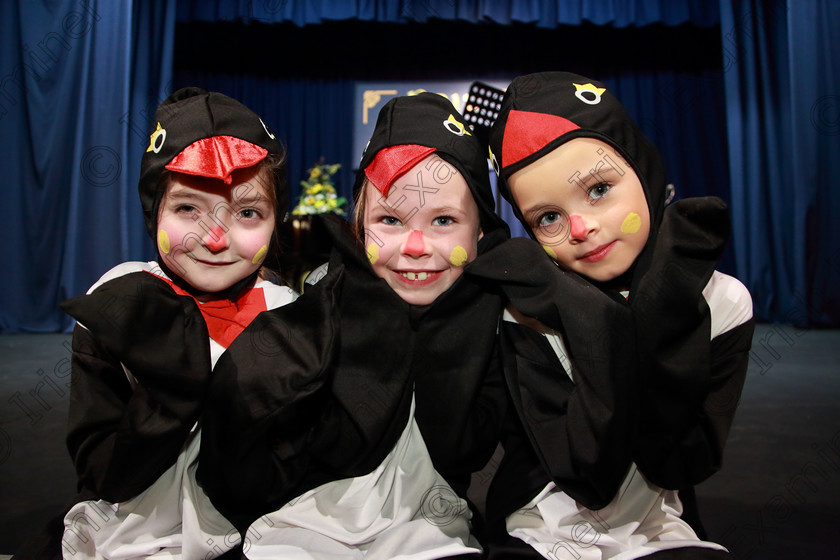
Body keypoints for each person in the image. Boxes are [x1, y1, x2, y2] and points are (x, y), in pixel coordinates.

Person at [197, 92, 510, 559]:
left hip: (434, 534)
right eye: (390, 220)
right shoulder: (321, 314)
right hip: (302, 530)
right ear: (361, 229)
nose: (417, 245)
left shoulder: (496, 322)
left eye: (443, 219)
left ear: (480, 232)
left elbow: (464, 451)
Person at [467, 71, 755, 559]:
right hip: (537, 527)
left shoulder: (722, 302)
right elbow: (588, 475)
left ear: (642, 169)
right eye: (548, 218)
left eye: (599, 189)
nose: (580, 228)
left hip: (659, 526)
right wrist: (588, 318)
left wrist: (664, 314)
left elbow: (680, 462)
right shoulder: (525, 310)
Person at [51, 88, 295, 559]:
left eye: (247, 212)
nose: (216, 237)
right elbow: (100, 470)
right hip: (132, 532)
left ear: (274, 221)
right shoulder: (119, 305)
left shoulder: (286, 311)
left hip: (259, 532)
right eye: (188, 208)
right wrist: (167, 396)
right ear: (154, 211)